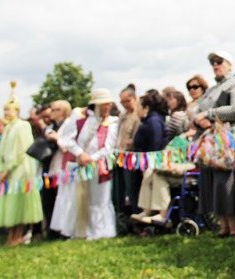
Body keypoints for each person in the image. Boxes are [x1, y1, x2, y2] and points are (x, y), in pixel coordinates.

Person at [53, 88, 119, 240]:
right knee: (77, 197)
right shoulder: (79, 117)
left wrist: (92, 157)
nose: (107, 108)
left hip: (98, 165)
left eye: (108, 105)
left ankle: (100, 231)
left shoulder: (112, 122)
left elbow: (108, 146)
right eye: (104, 105)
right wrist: (80, 153)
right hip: (78, 164)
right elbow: (68, 139)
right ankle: (78, 230)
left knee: (99, 199)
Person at [193, 51, 235, 238]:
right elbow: (197, 110)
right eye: (212, 62)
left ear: (230, 64)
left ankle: (234, 227)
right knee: (212, 182)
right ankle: (222, 226)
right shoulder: (211, 89)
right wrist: (199, 119)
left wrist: (210, 115)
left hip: (226, 141)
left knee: (226, 182)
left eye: (219, 61)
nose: (215, 65)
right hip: (209, 142)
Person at [0, 82, 43, 246]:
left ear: (17, 111)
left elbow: (20, 150)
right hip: (7, 170)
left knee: (19, 202)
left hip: (20, 169)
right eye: (5, 110)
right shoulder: (7, 128)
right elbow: (2, 151)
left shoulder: (22, 126)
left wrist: (9, 168)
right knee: (9, 202)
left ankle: (18, 235)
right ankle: (10, 235)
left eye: (9, 109)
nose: (7, 112)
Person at [131, 90, 170, 224]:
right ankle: (146, 211)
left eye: (139, 107)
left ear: (146, 108)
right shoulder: (150, 120)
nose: (137, 110)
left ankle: (158, 213)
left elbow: (156, 143)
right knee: (147, 179)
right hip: (148, 160)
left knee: (151, 176)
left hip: (154, 160)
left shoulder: (153, 121)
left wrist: (150, 163)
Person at [42, 99, 71, 239]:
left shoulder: (68, 125)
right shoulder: (51, 127)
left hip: (63, 167)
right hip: (51, 167)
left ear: (63, 111)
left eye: (55, 110)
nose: (51, 112)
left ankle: (64, 230)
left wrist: (56, 139)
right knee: (50, 200)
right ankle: (52, 230)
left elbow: (68, 146)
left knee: (63, 198)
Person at [115, 84, 141, 214]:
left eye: (127, 101)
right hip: (119, 155)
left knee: (132, 188)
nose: (125, 104)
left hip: (131, 157)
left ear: (134, 98)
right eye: (122, 102)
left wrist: (130, 142)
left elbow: (136, 138)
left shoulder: (138, 115)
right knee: (120, 188)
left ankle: (136, 214)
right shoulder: (122, 116)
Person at [185, 75, 209, 140]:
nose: (192, 90)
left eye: (195, 87)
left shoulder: (207, 102)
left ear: (202, 88)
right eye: (189, 88)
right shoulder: (187, 105)